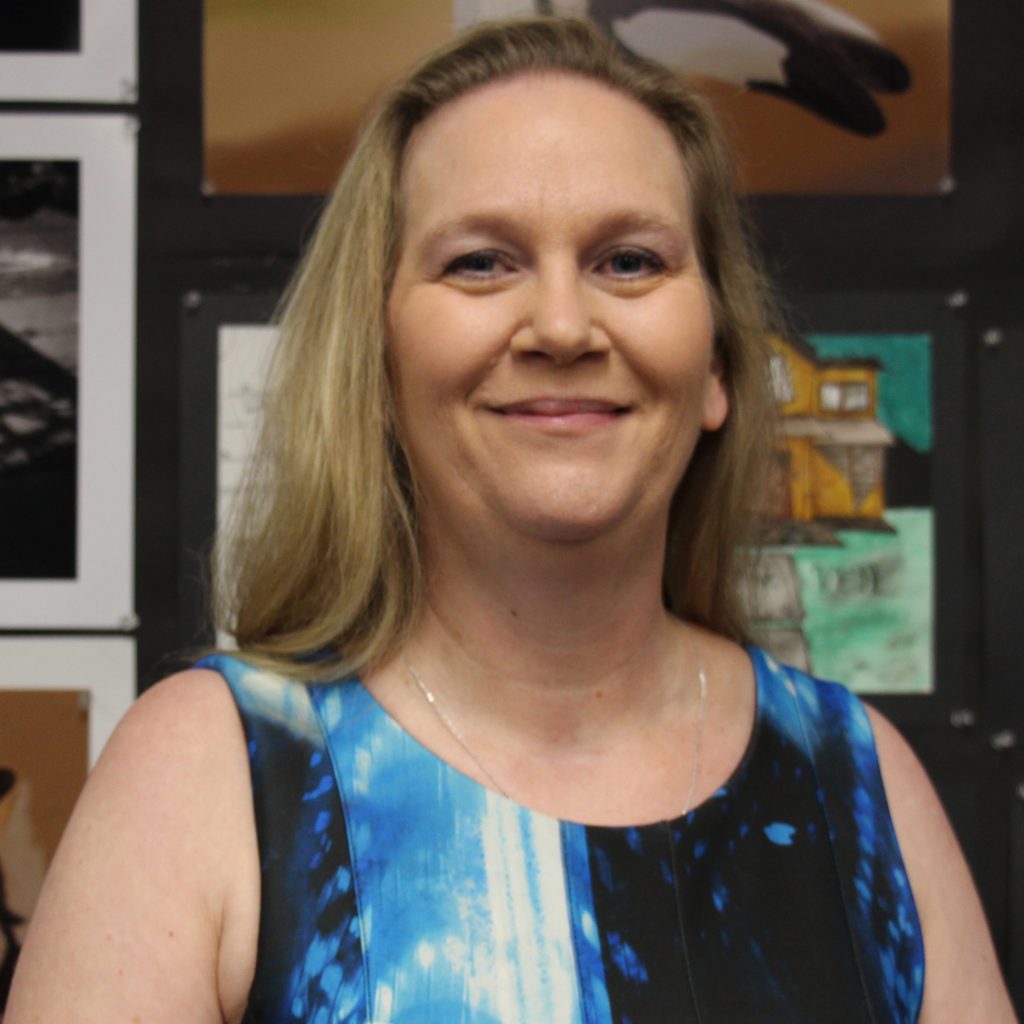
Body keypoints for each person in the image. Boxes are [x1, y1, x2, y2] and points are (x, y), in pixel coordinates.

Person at [6, 16, 1016, 1024]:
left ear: (714, 366)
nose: (565, 327)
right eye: (482, 262)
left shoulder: (856, 782)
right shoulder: (214, 771)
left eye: (628, 261)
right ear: (377, 359)